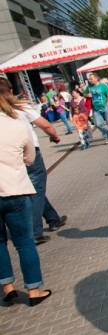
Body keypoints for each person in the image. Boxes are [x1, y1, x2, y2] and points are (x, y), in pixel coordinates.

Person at [0, 90, 52, 308]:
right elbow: (30, 159)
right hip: (15, 189)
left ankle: (8, 288)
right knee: (24, 243)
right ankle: (34, 289)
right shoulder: (17, 125)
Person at [0, 79, 67, 245]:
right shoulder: (20, 106)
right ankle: (35, 231)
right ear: (10, 89)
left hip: (10, 155)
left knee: (34, 187)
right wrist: (55, 135)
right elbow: (45, 124)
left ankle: (53, 219)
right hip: (30, 152)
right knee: (36, 188)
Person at [84, 72, 108, 144]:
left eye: (91, 79)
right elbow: (84, 94)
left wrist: (107, 104)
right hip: (96, 109)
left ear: (96, 78)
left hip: (105, 107)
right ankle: (106, 133)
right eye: (89, 79)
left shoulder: (103, 86)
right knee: (98, 124)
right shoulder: (89, 87)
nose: (90, 80)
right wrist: (87, 95)